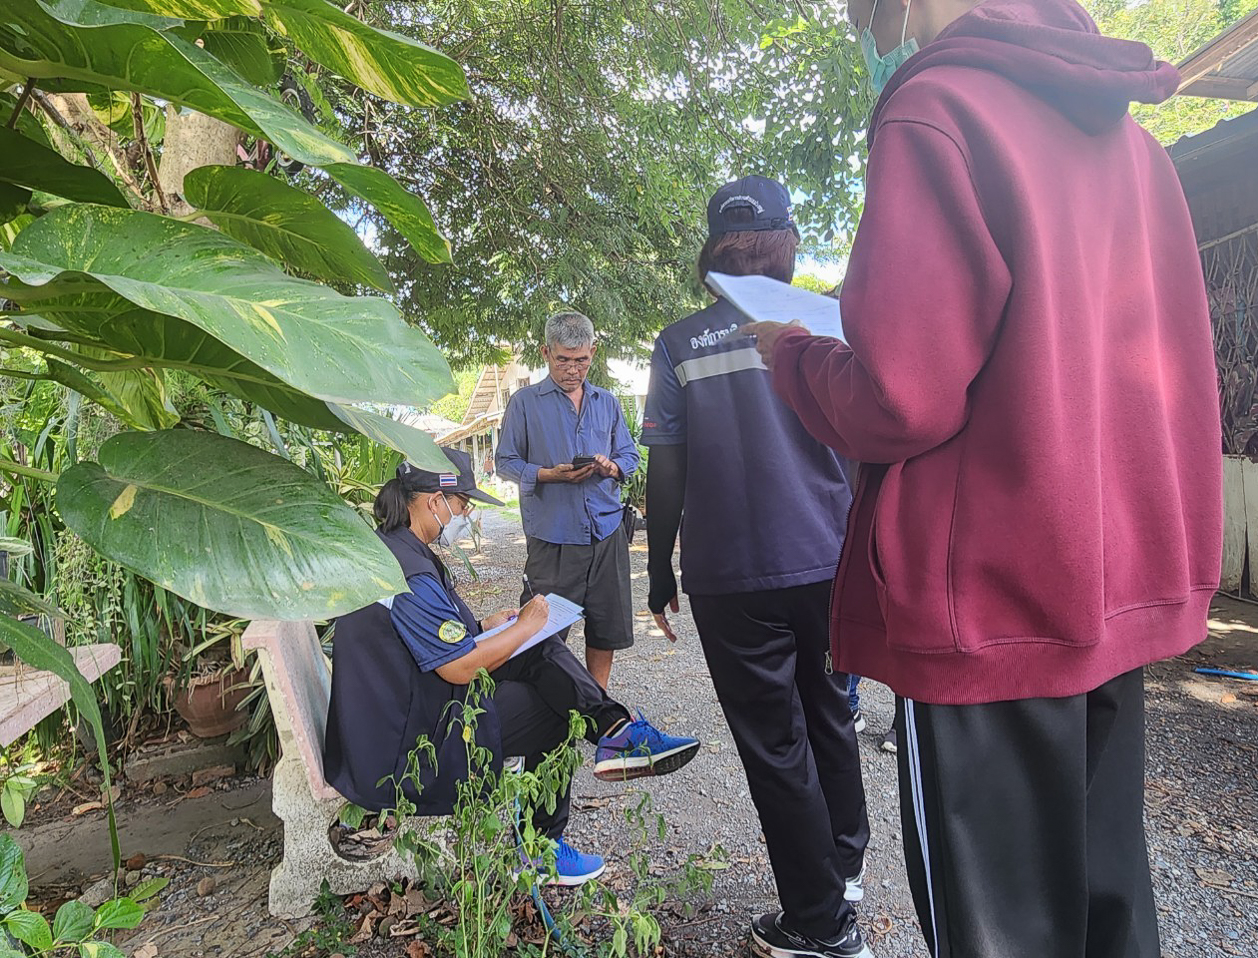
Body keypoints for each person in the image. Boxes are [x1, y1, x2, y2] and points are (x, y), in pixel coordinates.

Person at [743, 0, 1222, 955]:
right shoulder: (1133, 143)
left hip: (987, 603)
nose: (867, 34)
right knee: (1109, 910)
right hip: (1106, 584)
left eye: (860, 15)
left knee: (999, 932)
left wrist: (790, 354)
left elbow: (900, 397)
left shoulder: (936, 111)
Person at [643, 175, 872, 958]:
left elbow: (666, 467)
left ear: (713, 250)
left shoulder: (679, 343)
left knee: (775, 742)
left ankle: (817, 923)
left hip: (731, 573)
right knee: (829, 711)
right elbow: (867, 440)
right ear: (786, 244)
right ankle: (842, 868)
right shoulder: (829, 321)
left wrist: (659, 571)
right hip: (830, 559)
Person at [324, 448, 700, 884]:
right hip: (404, 753)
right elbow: (459, 668)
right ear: (434, 501)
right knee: (553, 711)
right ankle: (541, 851)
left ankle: (616, 730)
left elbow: (428, 638)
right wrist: (523, 627)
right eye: (463, 505)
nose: (466, 516)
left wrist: (490, 627)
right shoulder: (409, 574)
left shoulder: (396, 550)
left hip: (406, 710)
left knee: (538, 650)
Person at [497, 312, 640, 690]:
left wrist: (612, 468)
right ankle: (538, 708)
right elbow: (505, 462)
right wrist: (548, 474)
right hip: (553, 537)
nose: (573, 370)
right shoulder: (524, 403)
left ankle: (597, 705)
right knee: (539, 633)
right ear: (545, 352)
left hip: (606, 533)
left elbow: (629, 455)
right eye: (563, 360)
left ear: (593, 352)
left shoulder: (607, 402)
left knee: (606, 629)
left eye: (581, 360)